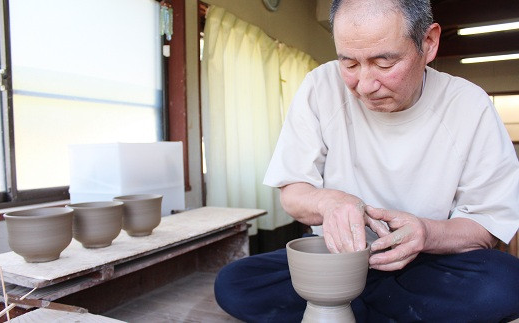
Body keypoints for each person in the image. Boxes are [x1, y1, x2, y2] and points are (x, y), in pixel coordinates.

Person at [214, 0, 519, 321]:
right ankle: (374, 308)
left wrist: (426, 233)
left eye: (384, 63)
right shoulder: (320, 87)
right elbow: (293, 191)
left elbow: (487, 227)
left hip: (428, 262)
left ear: (428, 43)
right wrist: (330, 203)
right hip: (337, 257)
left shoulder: (469, 104)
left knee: (507, 284)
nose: (365, 85)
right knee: (235, 283)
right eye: (349, 63)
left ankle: (343, 308)